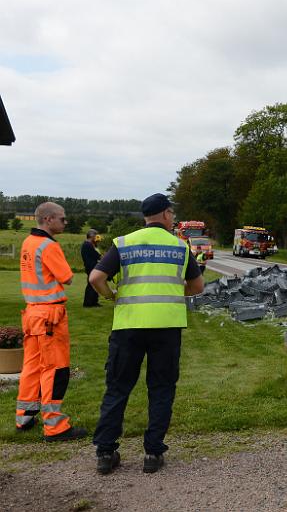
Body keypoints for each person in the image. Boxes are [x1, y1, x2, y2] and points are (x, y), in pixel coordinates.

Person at [89, 193, 204, 475]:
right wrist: (175, 292)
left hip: (128, 326)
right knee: (161, 388)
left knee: (118, 387)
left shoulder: (124, 243)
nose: (173, 217)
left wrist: (112, 296)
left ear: (145, 217)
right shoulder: (179, 246)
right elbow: (198, 286)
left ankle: (106, 452)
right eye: (172, 213)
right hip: (166, 326)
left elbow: (95, 278)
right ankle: (153, 454)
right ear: (165, 214)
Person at [16, 202, 88, 441]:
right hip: (50, 316)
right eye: (62, 219)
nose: (64, 223)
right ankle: (55, 426)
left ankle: (24, 415)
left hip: (32, 313)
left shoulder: (28, 242)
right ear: (48, 220)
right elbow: (67, 277)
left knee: (32, 366)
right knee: (55, 369)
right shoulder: (48, 245)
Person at [81, 229, 102, 307]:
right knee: (91, 284)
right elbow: (96, 255)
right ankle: (88, 303)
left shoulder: (91, 244)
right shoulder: (87, 245)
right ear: (91, 236)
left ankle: (94, 302)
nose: (97, 237)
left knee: (95, 284)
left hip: (93, 266)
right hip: (91, 267)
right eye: (95, 236)